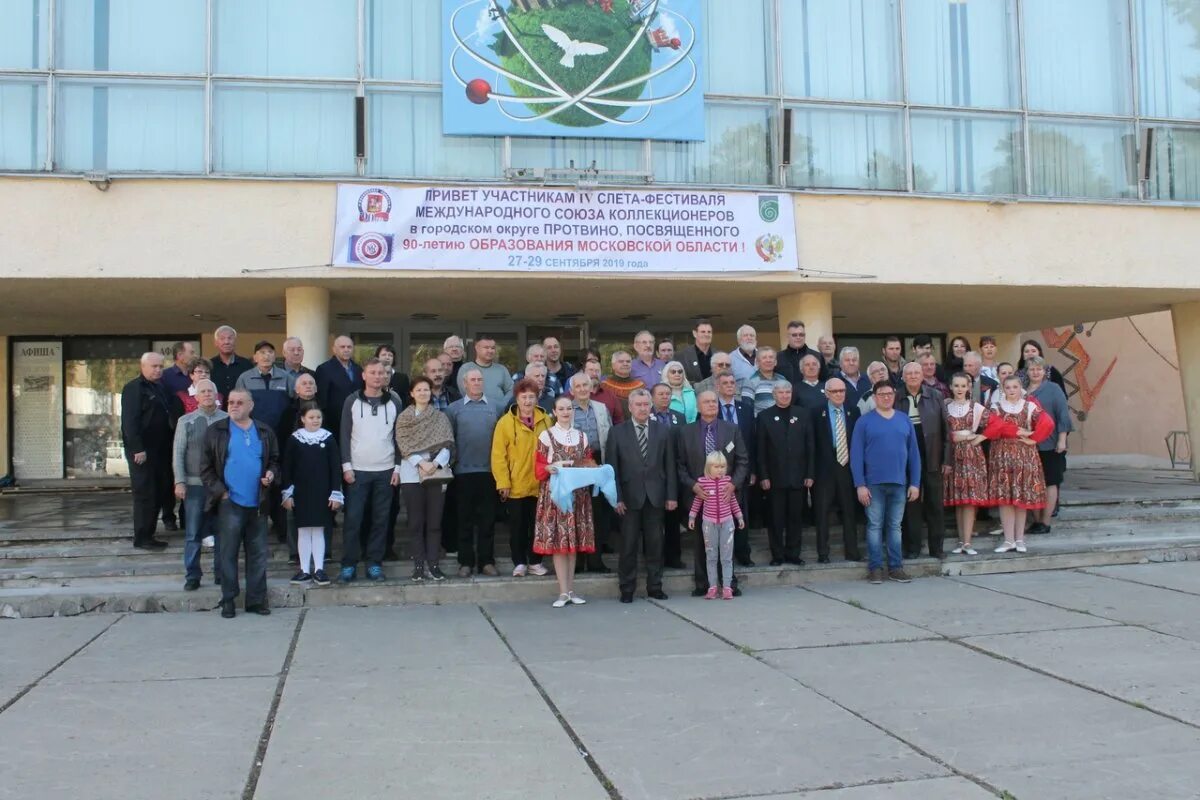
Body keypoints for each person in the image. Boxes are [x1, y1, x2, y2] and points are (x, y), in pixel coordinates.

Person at [200, 388, 280, 618]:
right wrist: (221, 493)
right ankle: (228, 600)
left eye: (239, 402)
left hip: (258, 502)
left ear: (250, 406)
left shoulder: (264, 431)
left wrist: (272, 475)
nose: (234, 405)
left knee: (257, 554)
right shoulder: (217, 431)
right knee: (228, 553)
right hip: (230, 502)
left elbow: (275, 460)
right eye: (230, 402)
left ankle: (256, 601)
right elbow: (205, 469)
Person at [607, 388, 677, 603]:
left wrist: (671, 496)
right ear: (630, 407)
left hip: (656, 497)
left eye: (646, 404)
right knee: (628, 546)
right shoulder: (617, 432)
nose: (643, 408)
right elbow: (612, 469)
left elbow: (670, 466)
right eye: (638, 405)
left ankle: (655, 587)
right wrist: (616, 497)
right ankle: (627, 589)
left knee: (655, 545)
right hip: (628, 498)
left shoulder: (662, 431)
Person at [677, 391, 750, 596]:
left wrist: (733, 484)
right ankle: (704, 584)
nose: (711, 405)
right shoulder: (685, 432)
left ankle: (729, 583)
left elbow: (743, 460)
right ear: (698, 407)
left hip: (727, 497)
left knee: (727, 544)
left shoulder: (732, 429)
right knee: (702, 543)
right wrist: (693, 486)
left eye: (713, 402)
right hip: (699, 497)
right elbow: (680, 465)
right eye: (706, 402)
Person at [337, 358, 402, 583]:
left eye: (381, 373)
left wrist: (398, 467)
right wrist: (346, 466)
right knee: (354, 519)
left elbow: (399, 437)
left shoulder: (394, 402)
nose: (377, 376)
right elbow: (344, 435)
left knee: (380, 520)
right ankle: (349, 564)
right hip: (357, 471)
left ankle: (374, 563)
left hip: (386, 470)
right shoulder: (351, 401)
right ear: (363, 375)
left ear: (386, 376)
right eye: (372, 372)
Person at [850, 381, 921, 584]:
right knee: (874, 526)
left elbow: (914, 455)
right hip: (872, 484)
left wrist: (915, 483)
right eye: (881, 394)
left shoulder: (904, 420)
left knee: (895, 526)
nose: (886, 397)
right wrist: (860, 484)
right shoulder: (864, 422)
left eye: (889, 393)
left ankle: (896, 567)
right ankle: (875, 568)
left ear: (894, 395)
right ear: (874, 397)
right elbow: (856, 456)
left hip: (899, 482)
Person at [534, 395, 597, 608]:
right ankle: (562, 592)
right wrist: (551, 468)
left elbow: (588, 462)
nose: (565, 412)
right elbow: (538, 467)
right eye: (561, 409)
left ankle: (571, 590)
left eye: (569, 408)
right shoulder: (546, 436)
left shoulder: (581, 436)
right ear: (554, 411)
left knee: (573, 544)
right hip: (556, 495)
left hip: (578, 494)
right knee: (561, 544)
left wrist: (587, 468)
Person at [395, 376, 455, 582]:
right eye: (419, 390)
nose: (423, 393)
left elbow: (447, 445)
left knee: (435, 523)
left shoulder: (440, 417)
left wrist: (435, 463)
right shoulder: (404, 418)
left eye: (427, 390)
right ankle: (418, 566)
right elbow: (403, 445)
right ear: (412, 393)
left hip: (436, 474)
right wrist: (421, 463)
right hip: (411, 474)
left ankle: (434, 565)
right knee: (415, 522)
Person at [985, 375, 1054, 554]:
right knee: (1005, 499)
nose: (1012, 390)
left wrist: (1034, 438)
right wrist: (1017, 431)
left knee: (1020, 499)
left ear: (1020, 388)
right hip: (1002, 456)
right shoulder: (996, 407)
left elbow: (1048, 422)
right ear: (1003, 389)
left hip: (1024, 456)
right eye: (1008, 387)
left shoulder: (1029, 406)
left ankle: (1019, 539)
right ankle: (1008, 540)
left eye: (1015, 387)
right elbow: (993, 427)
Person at [491, 379, 552, 578]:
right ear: (516, 399)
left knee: (538, 525)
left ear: (537, 398)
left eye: (531, 397)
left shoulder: (546, 420)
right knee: (517, 527)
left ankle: (535, 562)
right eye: (524, 397)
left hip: (541, 484)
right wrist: (503, 482)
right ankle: (519, 562)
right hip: (515, 485)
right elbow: (498, 455)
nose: (527, 401)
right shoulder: (505, 423)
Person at [446, 367, 501, 577]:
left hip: (489, 472)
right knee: (464, 519)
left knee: (487, 520)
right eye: (473, 380)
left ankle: (486, 561)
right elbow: (449, 441)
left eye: (480, 379)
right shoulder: (453, 409)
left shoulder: (496, 407)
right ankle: (465, 562)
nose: (477, 383)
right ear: (464, 384)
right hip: (462, 473)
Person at [172, 378, 227, 589]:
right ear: (195, 396)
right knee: (193, 532)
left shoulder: (226, 419)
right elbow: (178, 453)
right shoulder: (186, 421)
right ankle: (192, 575)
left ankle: (222, 572)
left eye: (210, 391)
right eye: (202, 391)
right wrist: (179, 481)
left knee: (222, 531)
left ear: (216, 395)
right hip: (194, 484)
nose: (206, 394)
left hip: (220, 485)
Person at [281, 401, 342, 586]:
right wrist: (287, 493)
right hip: (301, 492)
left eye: (318, 417)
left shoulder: (328, 438)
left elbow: (334, 467)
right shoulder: (295, 439)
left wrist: (335, 492)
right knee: (303, 531)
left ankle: (319, 569)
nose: (315, 421)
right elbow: (287, 467)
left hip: (322, 492)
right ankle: (305, 570)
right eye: (311, 417)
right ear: (302, 419)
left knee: (319, 530)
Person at [756, 382, 815, 566]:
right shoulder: (764, 416)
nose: (784, 395)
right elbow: (761, 450)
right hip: (774, 478)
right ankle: (777, 555)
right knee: (776, 519)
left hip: (798, 477)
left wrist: (810, 474)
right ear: (774, 395)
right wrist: (763, 476)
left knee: (795, 518)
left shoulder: (803, 414)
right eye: (780, 392)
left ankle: (793, 554)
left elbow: (810, 447)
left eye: (788, 391)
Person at [121, 352, 173, 550]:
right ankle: (142, 537)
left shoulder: (159, 388)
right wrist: (137, 448)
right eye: (154, 366)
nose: (158, 370)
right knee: (145, 493)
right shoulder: (134, 388)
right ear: (143, 367)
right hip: (143, 451)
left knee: (158, 491)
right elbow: (130, 422)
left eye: (161, 366)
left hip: (160, 450)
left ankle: (150, 531)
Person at [898, 362, 948, 560]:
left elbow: (946, 431)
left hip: (932, 455)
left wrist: (947, 460)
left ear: (923, 375)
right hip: (906, 457)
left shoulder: (935, 396)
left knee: (935, 504)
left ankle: (937, 549)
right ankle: (913, 548)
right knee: (911, 505)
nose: (912, 376)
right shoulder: (896, 396)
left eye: (916, 372)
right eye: (908, 373)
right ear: (903, 377)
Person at [812, 377, 862, 563]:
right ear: (826, 393)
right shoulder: (817, 413)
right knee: (822, 512)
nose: (839, 394)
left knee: (849, 511)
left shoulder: (853, 411)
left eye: (842, 391)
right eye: (835, 391)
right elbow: (812, 443)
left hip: (847, 467)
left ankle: (852, 552)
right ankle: (823, 553)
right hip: (825, 468)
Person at [569, 372, 612, 573]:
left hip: (598, 461)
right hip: (575, 466)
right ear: (572, 390)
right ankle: (577, 561)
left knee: (597, 514)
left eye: (585, 385)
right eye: (578, 386)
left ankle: (595, 560)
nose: (583, 389)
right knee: (577, 513)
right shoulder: (566, 409)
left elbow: (609, 435)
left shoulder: (601, 408)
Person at [943, 372, 990, 556]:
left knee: (969, 500)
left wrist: (979, 437)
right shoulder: (945, 407)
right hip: (953, 455)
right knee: (959, 500)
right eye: (956, 386)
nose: (960, 389)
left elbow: (994, 424)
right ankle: (962, 541)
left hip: (971, 454)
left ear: (969, 387)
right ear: (951, 387)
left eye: (963, 386)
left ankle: (968, 542)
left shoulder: (976, 407)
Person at [688, 451, 744, 600]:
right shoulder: (703, 482)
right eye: (716, 466)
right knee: (711, 556)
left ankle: (727, 587)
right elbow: (697, 502)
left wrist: (739, 517)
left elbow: (733, 502)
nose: (720, 469)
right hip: (709, 524)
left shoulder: (728, 482)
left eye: (722, 466)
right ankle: (712, 586)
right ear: (708, 467)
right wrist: (692, 516)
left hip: (727, 523)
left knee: (726, 557)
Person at [1025, 357, 1072, 534]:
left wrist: (1062, 439)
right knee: (1032, 483)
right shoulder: (1023, 391)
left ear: (1044, 371)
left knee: (1050, 482)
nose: (1035, 372)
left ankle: (1045, 522)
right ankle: (1036, 521)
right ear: (1027, 372)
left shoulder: (1053, 389)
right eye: (1032, 369)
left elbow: (1063, 415)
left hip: (1050, 444)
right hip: (1029, 445)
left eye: (1039, 369)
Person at [716, 370, 756, 567]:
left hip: (742, 469)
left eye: (732, 382)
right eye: (725, 383)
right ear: (718, 386)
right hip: (718, 471)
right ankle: (725, 555)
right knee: (722, 515)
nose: (730, 385)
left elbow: (752, 442)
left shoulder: (746, 409)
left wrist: (753, 470)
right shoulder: (710, 408)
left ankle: (743, 552)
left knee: (742, 513)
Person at [651, 382, 687, 569]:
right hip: (653, 473)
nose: (665, 397)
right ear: (652, 397)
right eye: (661, 394)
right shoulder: (645, 416)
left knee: (673, 519)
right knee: (654, 520)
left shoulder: (678, 417)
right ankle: (655, 558)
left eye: (667, 394)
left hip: (674, 472)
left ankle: (674, 557)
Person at [315, 335, 363, 442]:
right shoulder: (324, 369)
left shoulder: (358, 369)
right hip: (334, 423)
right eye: (342, 347)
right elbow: (321, 400)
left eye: (349, 347)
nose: (346, 350)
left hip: (356, 422)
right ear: (334, 349)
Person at [236, 340, 290, 431]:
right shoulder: (244, 378)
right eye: (262, 352)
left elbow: (296, 400)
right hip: (252, 430)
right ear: (255, 358)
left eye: (270, 352)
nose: (267, 355)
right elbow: (238, 404)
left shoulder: (286, 377)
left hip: (282, 431)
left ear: (274, 357)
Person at [457, 335, 513, 406]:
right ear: (477, 348)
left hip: (500, 413)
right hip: (475, 410)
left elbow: (511, 390)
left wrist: (502, 405)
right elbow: (464, 391)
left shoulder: (501, 369)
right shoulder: (466, 368)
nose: (490, 351)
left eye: (492, 348)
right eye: (486, 347)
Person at [210, 326, 254, 400]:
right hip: (216, 410)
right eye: (222, 338)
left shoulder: (247, 365)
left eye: (230, 338)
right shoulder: (210, 365)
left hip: (241, 409)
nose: (226, 342)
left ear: (235, 341)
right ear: (216, 343)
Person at [742, 347, 790, 414]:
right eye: (764, 357)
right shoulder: (750, 381)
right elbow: (747, 408)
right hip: (761, 422)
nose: (768, 360)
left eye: (771, 357)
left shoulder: (782, 379)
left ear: (775, 362)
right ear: (757, 362)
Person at [778, 320, 827, 385]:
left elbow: (824, 380)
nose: (798, 337)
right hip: (786, 394)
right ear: (788, 336)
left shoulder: (817, 356)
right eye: (794, 335)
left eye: (801, 335)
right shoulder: (778, 357)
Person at [599, 350, 645, 419]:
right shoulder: (604, 385)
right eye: (621, 361)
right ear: (613, 365)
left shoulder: (640, 385)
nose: (625, 364)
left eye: (628, 361)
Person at [585, 358, 623, 424]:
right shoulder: (575, 395)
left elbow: (619, 422)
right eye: (591, 370)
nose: (594, 374)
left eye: (597, 371)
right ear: (583, 372)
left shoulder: (611, 396)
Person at [678, 319, 714, 384]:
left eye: (709, 332)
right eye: (703, 332)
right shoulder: (682, 356)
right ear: (694, 334)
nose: (706, 334)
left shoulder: (718, 355)